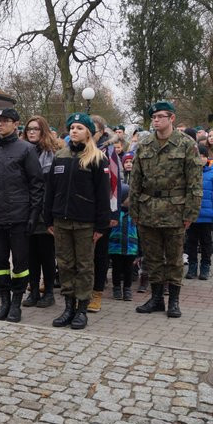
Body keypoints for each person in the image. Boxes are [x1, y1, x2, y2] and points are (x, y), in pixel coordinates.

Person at [131, 101, 202, 319]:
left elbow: (195, 181)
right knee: (152, 258)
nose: (156, 120)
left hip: (175, 210)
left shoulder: (186, 144)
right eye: (153, 117)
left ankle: (174, 301)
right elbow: (136, 179)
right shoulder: (144, 144)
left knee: (174, 258)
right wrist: (134, 210)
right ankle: (156, 299)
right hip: (148, 208)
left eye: (160, 116)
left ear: (171, 118)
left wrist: (191, 212)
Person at [0, 108, 44, 323]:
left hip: (19, 217)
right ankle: (4, 301)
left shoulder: (26, 149)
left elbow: (36, 185)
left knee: (20, 266)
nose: (1, 124)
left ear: (16, 124)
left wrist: (33, 215)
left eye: (6, 121)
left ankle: (16, 303)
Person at [45, 112, 110, 329]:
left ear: (88, 132)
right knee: (64, 264)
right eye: (72, 127)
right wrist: (48, 219)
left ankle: (82, 309)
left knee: (83, 266)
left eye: (79, 128)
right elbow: (51, 190)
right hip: (61, 221)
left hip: (84, 222)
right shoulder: (60, 156)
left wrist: (101, 225)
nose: (74, 131)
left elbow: (103, 196)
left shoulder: (97, 158)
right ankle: (68, 307)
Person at [20, 115, 58, 309]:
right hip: (25, 210)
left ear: (43, 131)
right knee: (29, 255)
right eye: (29, 129)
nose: (32, 132)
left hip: (44, 211)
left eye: (36, 129)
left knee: (46, 254)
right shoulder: (21, 152)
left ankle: (49, 291)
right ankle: (33, 290)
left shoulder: (52, 154)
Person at [90, 115, 122, 314]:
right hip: (80, 210)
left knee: (100, 254)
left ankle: (97, 293)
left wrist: (113, 213)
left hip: (102, 211)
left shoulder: (108, 152)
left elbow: (115, 184)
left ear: (101, 132)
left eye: (92, 129)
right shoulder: (77, 149)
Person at [185, 144, 213, 280]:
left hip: (207, 216)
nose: (199, 159)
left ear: (206, 157)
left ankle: (205, 266)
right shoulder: (188, 174)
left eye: (202, 156)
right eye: (197, 156)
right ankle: (192, 266)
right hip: (192, 216)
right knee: (191, 242)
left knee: (206, 243)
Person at [109, 184, 138, 300]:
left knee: (128, 269)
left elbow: (139, 233)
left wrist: (139, 251)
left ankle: (127, 289)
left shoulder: (134, 215)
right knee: (116, 268)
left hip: (131, 248)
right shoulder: (114, 213)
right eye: (129, 197)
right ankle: (116, 288)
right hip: (115, 247)